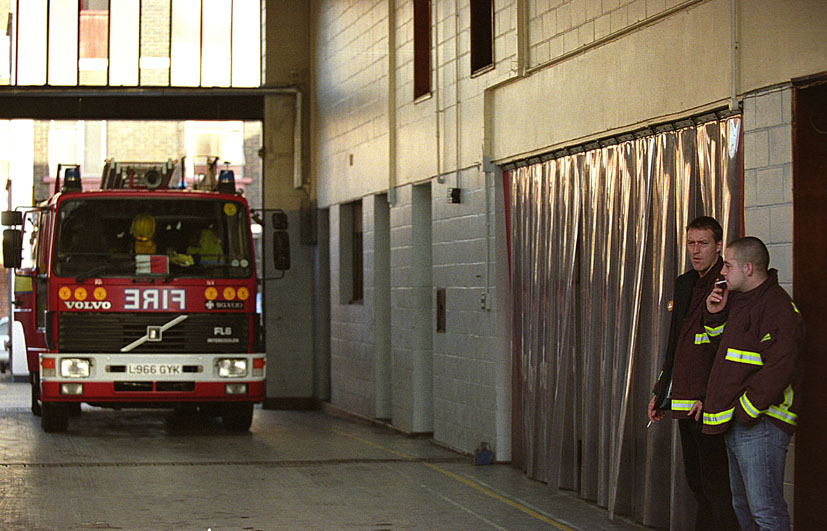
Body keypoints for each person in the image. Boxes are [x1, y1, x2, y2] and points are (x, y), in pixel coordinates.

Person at [703, 236, 803, 530]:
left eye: (728, 265)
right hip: (739, 423)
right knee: (743, 506)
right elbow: (725, 352)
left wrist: (747, 410)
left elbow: (781, 367)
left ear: (748, 268)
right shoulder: (742, 301)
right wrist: (714, 315)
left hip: (760, 424)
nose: (722, 272)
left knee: (766, 511)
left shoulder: (778, 308)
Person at [648, 216, 739, 531]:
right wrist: (662, 392)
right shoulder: (684, 283)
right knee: (697, 481)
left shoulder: (728, 284)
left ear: (718, 246)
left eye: (703, 243)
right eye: (691, 243)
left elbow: (729, 350)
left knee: (717, 484)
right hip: (684, 398)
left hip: (712, 402)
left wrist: (708, 396)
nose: (696, 250)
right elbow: (677, 341)